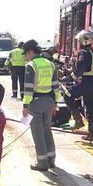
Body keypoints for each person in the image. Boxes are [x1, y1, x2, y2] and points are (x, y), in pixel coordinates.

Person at [22, 39, 60, 171]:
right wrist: (56, 102)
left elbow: (28, 88)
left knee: (38, 134)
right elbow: (56, 85)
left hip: (36, 102)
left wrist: (25, 105)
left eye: (26, 53)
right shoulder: (51, 64)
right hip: (49, 101)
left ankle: (42, 163)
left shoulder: (31, 66)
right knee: (47, 130)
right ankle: (51, 160)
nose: (25, 56)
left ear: (31, 52)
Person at [64, 30, 93, 141]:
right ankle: (91, 134)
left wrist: (70, 78)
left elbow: (81, 69)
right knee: (91, 107)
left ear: (82, 40)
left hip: (87, 82)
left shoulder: (83, 52)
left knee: (67, 95)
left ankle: (78, 120)